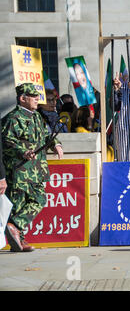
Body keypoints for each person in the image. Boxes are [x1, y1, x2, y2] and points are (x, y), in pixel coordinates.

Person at [2, 83, 63, 252]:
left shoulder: (37, 117)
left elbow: (46, 135)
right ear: (23, 98)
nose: (37, 99)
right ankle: (18, 239)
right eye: (33, 96)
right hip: (19, 170)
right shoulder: (12, 118)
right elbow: (6, 142)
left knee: (39, 199)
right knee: (18, 205)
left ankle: (15, 227)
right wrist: (23, 151)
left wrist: (56, 145)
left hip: (36, 171)